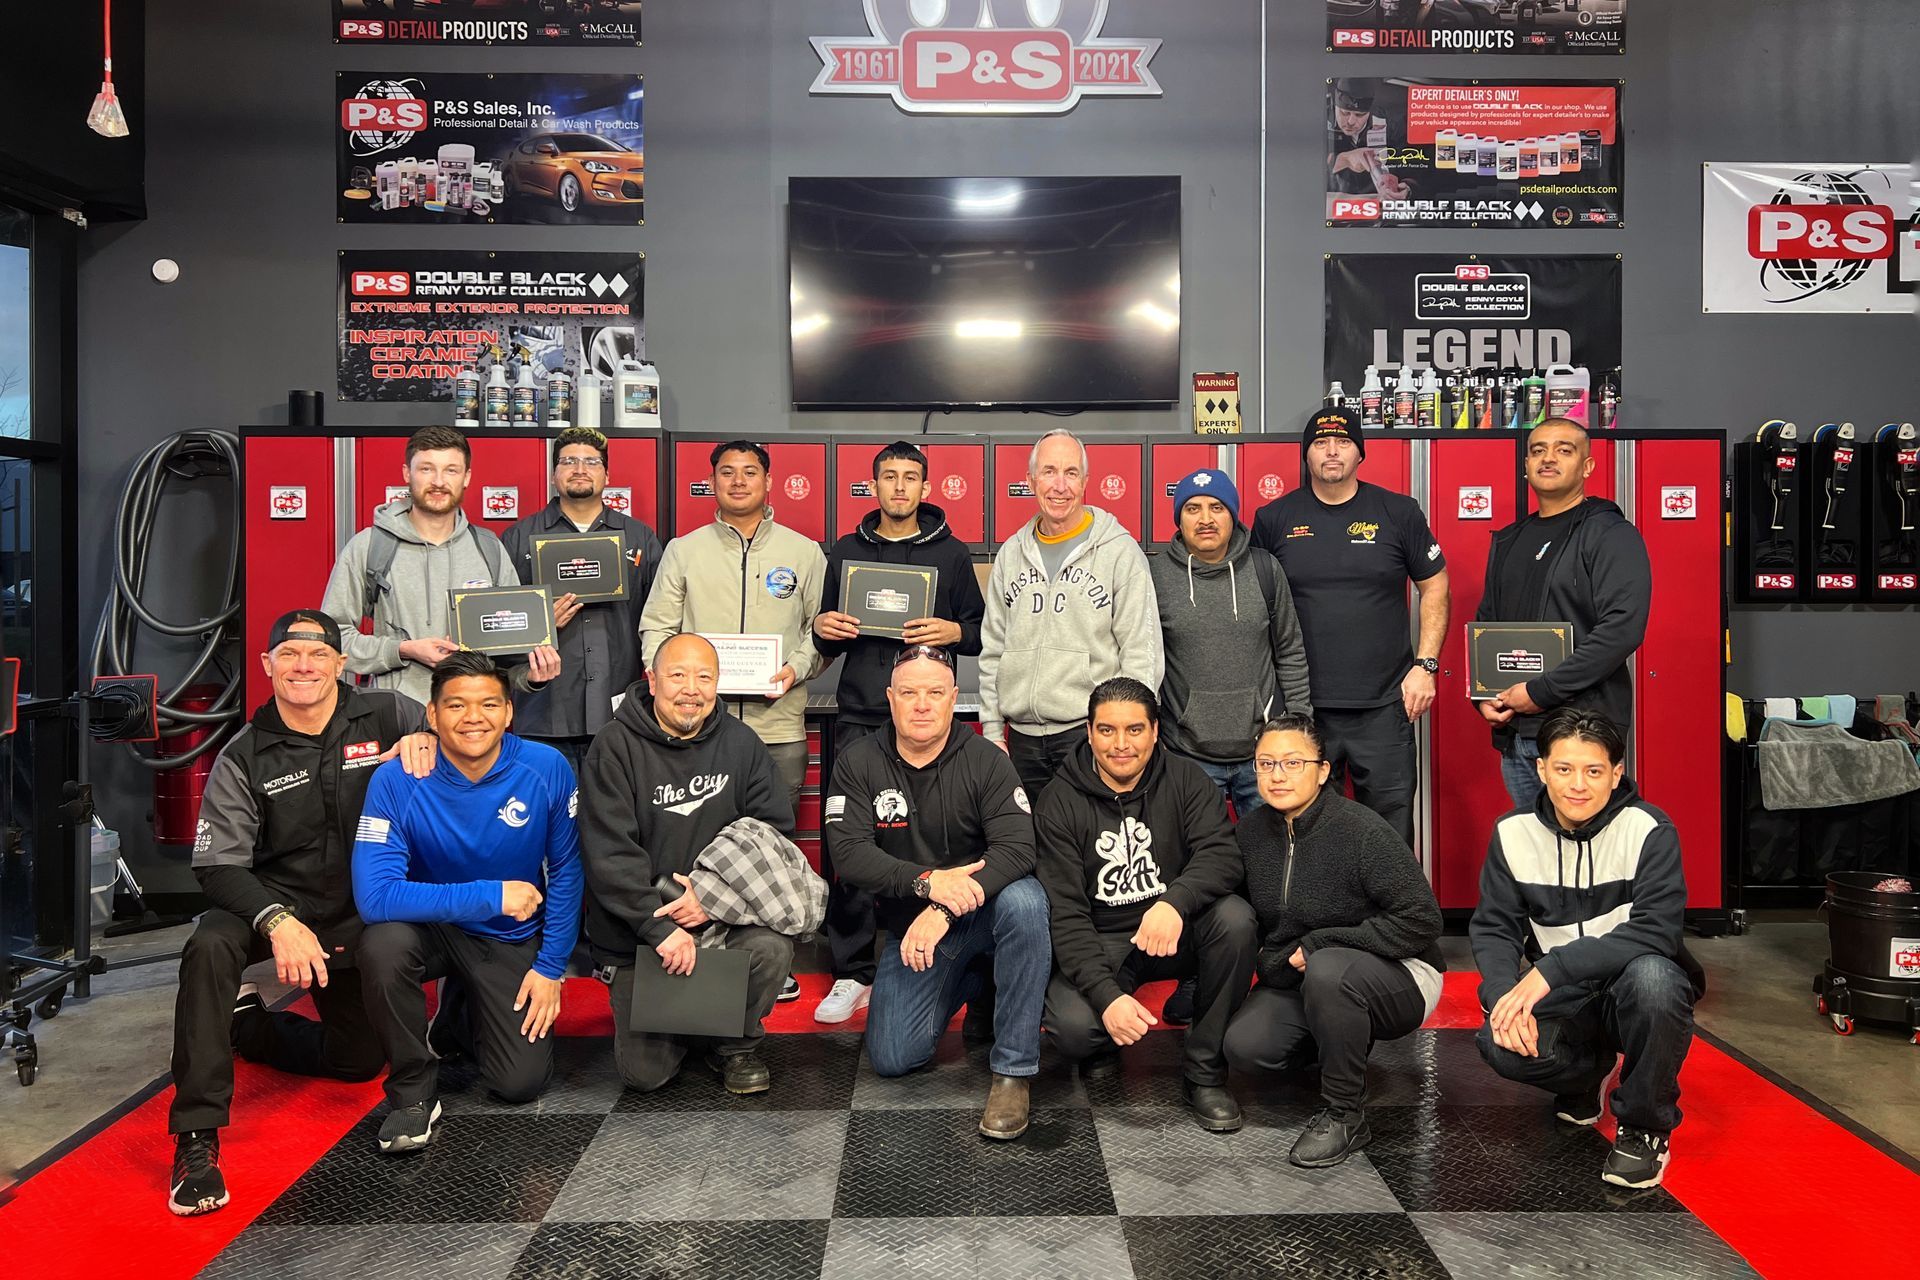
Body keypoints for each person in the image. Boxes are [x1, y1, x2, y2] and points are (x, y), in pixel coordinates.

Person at [166, 611, 435, 1215]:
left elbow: (472, 731)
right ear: (267, 666)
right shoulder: (245, 753)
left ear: (343, 665)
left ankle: (251, 1028)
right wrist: (276, 921)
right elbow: (216, 866)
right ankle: (195, 1138)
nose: (304, 666)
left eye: (318, 655)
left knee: (359, 1062)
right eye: (288, 654)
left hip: (358, 908)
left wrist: (432, 736)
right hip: (272, 905)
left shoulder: (391, 713)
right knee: (210, 944)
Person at [353, 651, 583, 1153]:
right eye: (455, 705)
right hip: (429, 929)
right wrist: (491, 894)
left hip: (506, 936)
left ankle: (460, 1010)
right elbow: (375, 898)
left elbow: (567, 871)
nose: (473, 717)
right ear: (431, 716)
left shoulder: (546, 768)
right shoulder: (396, 778)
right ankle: (412, 1094)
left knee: (519, 1085)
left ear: (509, 711)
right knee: (382, 944)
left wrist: (549, 968)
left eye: (488, 704)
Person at [1470, 708, 1703, 1190]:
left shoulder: (1649, 829)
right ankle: (1583, 1076)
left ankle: (1644, 1127)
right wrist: (1500, 997)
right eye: (1564, 769)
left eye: (1594, 771)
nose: (1578, 785)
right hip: (1571, 996)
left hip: (1630, 987)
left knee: (1657, 981)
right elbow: (1495, 927)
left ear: (1617, 774)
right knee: (1498, 1042)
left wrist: (1550, 970)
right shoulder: (1511, 834)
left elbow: (1657, 931)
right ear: (1541, 769)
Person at [822, 645, 1048, 1140]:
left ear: (952, 700)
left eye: (934, 693)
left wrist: (944, 904)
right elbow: (849, 854)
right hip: (913, 932)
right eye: (909, 693)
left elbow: (1018, 850)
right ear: (890, 698)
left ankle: (1013, 1070)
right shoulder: (858, 761)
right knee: (893, 1057)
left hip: (981, 915)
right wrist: (927, 884)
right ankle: (981, 982)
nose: (921, 704)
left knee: (1027, 901)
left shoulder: (987, 761)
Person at [577, 633, 808, 1095]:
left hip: (721, 920)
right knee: (646, 1076)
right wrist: (659, 929)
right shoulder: (613, 747)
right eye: (677, 675)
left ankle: (734, 1045)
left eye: (704, 677)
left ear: (718, 683)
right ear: (652, 679)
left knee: (772, 949)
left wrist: (712, 898)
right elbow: (609, 856)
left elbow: (771, 834)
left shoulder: (742, 744)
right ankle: (695, 1024)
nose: (691, 688)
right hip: (641, 935)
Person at [811, 440, 986, 1025]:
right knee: (853, 844)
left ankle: (943, 943)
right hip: (862, 712)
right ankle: (852, 971)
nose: (900, 488)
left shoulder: (954, 554)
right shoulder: (845, 551)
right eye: (889, 477)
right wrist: (822, 624)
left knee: (931, 837)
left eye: (911, 478)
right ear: (874, 486)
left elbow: (981, 632)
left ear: (925, 487)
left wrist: (951, 630)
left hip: (930, 721)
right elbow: (819, 632)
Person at [1222, 713, 1445, 1169]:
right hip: (1306, 975)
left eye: (1292, 763)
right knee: (1247, 1047)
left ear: (1323, 771)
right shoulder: (1251, 833)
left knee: (1329, 970)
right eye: (1266, 764)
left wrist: (1325, 943)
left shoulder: (1361, 831)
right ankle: (1340, 1040)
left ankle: (1345, 1114)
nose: (1277, 775)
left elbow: (1422, 921)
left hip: (1403, 972)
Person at [1036, 678, 1257, 1133]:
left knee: (1235, 919)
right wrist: (1106, 996)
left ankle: (1205, 1073)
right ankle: (1105, 1040)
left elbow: (1222, 854)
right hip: (1106, 940)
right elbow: (1066, 913)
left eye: (1135, 730)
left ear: (1155, 731)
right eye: (1108, 730)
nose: (1121, 745)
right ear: (1089, 732)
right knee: (1077, 1031)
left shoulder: (1185, 778)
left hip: (1175, 930)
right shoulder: (1058, 801)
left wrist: (1174, 903)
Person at [1252, 409, 1449, 848]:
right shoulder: (1275, 518)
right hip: (1303, 709)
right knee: (1307, 835)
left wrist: (1426, 665)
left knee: (1390, 837)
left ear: (1360, 451)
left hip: (1384, 706)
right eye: (1320, 443)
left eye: (1342, 442)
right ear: (1307, 455)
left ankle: (1394, 917)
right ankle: (1319, 919)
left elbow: (1435, 587)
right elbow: (1253, 603)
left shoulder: (1398, 512)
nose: (1332, 451)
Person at [1474, 417, 1651, 810]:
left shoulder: (1610, 534)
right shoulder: (1511, 539)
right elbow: (1488, 625)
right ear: (1525, 466)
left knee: (1586, 857)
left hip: (1582, 734)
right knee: (1537, 856)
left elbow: (1622, 628)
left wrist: (1540, 692)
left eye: (1564, 450)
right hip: (1518, 738)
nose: (1548, 458)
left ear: (1587, 467)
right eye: (1538, 450)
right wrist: (1484, 697)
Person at [979, 429, 1162, 798]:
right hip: (1021, 742)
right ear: (1030, 481)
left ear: (1085, 482)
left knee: (1089, 848)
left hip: (1089, 735)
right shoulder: (1011, 554)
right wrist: (993, 732)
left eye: (1071, 473)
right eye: (1048, 472)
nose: (1059, 485)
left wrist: (1121, 733)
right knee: (1026, 847)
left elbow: (1141, 652)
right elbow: (993, 649)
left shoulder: (1119, 552)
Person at [321, 425, 560, 705]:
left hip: (473, 716)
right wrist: (403, 649)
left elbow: (509, 648)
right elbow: (333, 638)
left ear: (466, 477)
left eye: (451, 470)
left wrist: (531, 676)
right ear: (407, 474)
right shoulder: (369, 546)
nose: (438, 481)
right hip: (396, 713)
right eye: (426, 469)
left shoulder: (489, 548)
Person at [499, 426, 664, 775]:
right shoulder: (517, 538)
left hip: (619, 715)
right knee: (544, 823)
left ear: (607, 473)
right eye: (568, 461)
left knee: (612, 822)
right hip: (543, 716)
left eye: (591, 461)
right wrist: (541, 622)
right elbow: (499, 627)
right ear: (554, 473)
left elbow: (661, 621)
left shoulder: (639, 537)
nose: (579, 468)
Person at [1149, 467, 1312, 815]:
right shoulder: (1155, 576)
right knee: (1201, 860)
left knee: (1271, 856)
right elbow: (1143, 659)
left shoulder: (1265, 569)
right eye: (1193, 509)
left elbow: (1290, 651)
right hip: (1187, 756)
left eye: (1217, 508)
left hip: (1266, 755)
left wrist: (1298, 727)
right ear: (1179, 519)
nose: (1205, 519)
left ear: (1233, 515)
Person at [1326, 78, 1408, 200]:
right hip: (1331, 202)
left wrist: (1408, 187)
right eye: (1345, 113)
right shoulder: (1320, 119)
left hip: (1377, 203)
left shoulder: (1389, 124)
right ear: (1334, 105)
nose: (1351, 121)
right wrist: (1343, 159)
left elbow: (1415, 165)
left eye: (1360, 115)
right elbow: (1303, 163)